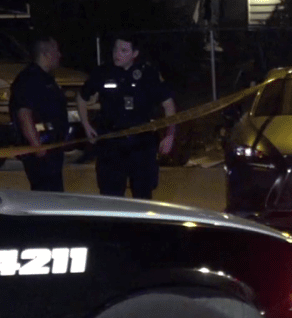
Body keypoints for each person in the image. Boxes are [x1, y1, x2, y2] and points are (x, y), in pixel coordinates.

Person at [77, 35, 176, 200]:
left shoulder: (147, 73)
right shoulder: (103, 72)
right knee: (111, 197)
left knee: (143, 196)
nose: (118, 54)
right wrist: (86, 125)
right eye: (116, 49)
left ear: (135, 53)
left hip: (141, 145)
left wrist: (170, 135)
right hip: (111, 145)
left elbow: (169, 105)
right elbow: (81, 98)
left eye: (124, 50)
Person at [9, 36, 67, 191]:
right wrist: (37, 146)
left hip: (52, 148)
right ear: (46, 53)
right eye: (56, 51)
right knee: (46, 195)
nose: (59, 55)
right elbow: (24, 114)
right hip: (41, 150)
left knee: (55, 194)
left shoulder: (46, 78)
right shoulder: (29, 79)